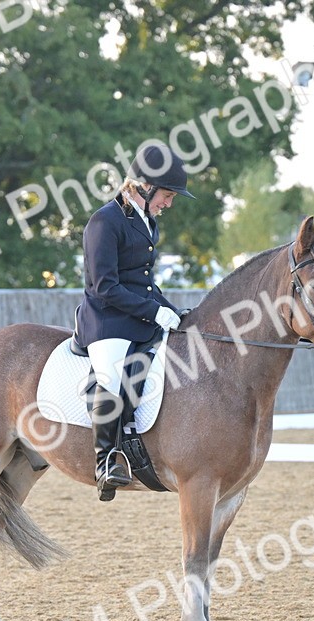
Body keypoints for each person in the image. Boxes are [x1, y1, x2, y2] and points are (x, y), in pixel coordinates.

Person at [72, 144, 195, 501]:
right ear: (145, 186)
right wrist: (153, 311)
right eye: (167, 195)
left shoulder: (146, 222)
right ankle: (106, 459)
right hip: (106, 319)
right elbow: (104, 286)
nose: (168, 204)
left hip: (138, 315)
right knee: (112, 375)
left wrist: (171, 310)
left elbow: (145, 283)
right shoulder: (105, 221)